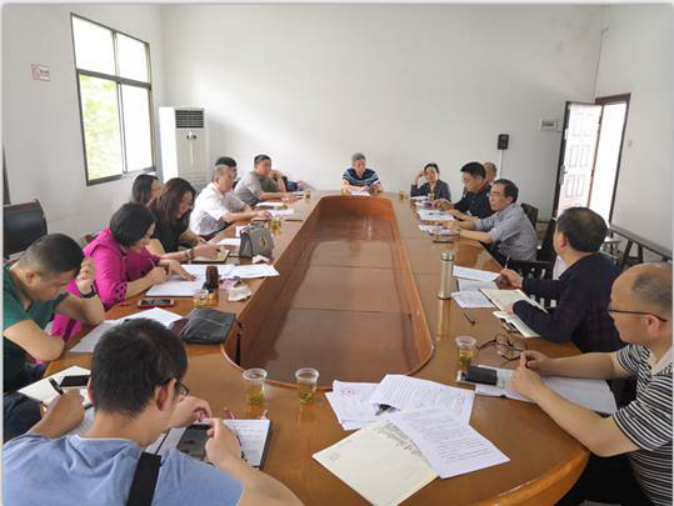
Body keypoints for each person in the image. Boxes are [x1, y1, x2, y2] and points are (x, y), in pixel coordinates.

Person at [2, 319, 303, 506]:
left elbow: (33, 439)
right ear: (164, 394)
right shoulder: (167, 478)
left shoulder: (14, 455)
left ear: (91, 390)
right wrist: (228, 460)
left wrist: (164, 416)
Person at [510, 263, 672, 506]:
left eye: (615, 308)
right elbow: (611, 363)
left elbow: (602, 439)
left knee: (554, 478)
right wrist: (551, 366)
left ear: (651, 322)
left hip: (653, 493)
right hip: (634, 457)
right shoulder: (657, 339)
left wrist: (536, 390)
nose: (610, 313)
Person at [3, 234, 105, 440]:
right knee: (70, 414)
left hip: (17, 376)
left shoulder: (42, 287)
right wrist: (55, 342)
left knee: (97, 383)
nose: (62, 291)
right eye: (59, 285)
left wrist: (87, 289)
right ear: (31, 276)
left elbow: (94, 317)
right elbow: (47, 351)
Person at [51, 203, 193, 340]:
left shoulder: (127, 243)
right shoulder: (105, 251)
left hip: (108, 316)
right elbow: (111, 293)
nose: (148, 242)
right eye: (144, 236)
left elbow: (148, 259)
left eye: (149, 236)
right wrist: (149, 280)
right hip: (81, 328)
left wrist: (168, 262)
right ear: (131, 232)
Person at [499, 207, 622, 353]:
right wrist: (522, 281)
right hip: (603, 347)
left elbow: (556, 331)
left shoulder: (582, 278)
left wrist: (519, 306)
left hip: (586, 354)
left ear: (562, 239)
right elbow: (563, 288)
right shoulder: (600, 263)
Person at [447, 179, 537, 261]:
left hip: (517, 263)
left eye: (496, 195)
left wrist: (459, 231)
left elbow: (488, 238)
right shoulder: (502, 211)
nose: (491, 199)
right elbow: (480, 224)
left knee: (464, 256)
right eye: (490, 194)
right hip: (503, 254)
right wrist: (454, 224)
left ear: (509, 199)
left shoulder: (515, 216)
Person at [148, 178, 220, 260]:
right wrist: (193, 253)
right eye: (181, 201)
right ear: (169, 197)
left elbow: (193, 238)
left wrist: (201, 243)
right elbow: (158, 259)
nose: (185, 207)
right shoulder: (149, 217)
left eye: (189, 203)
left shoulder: (176, 217)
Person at [191, 163, 270, 237]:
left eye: (233, 178)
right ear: (217, 180)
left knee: (254, 235)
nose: (232, 181)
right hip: (205, 236)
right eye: (229, 178)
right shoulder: (208, 196)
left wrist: (249, 215)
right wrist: (255, 214)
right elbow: (228, 218)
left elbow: (244, 206)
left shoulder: (226, 191)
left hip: (221, 229)